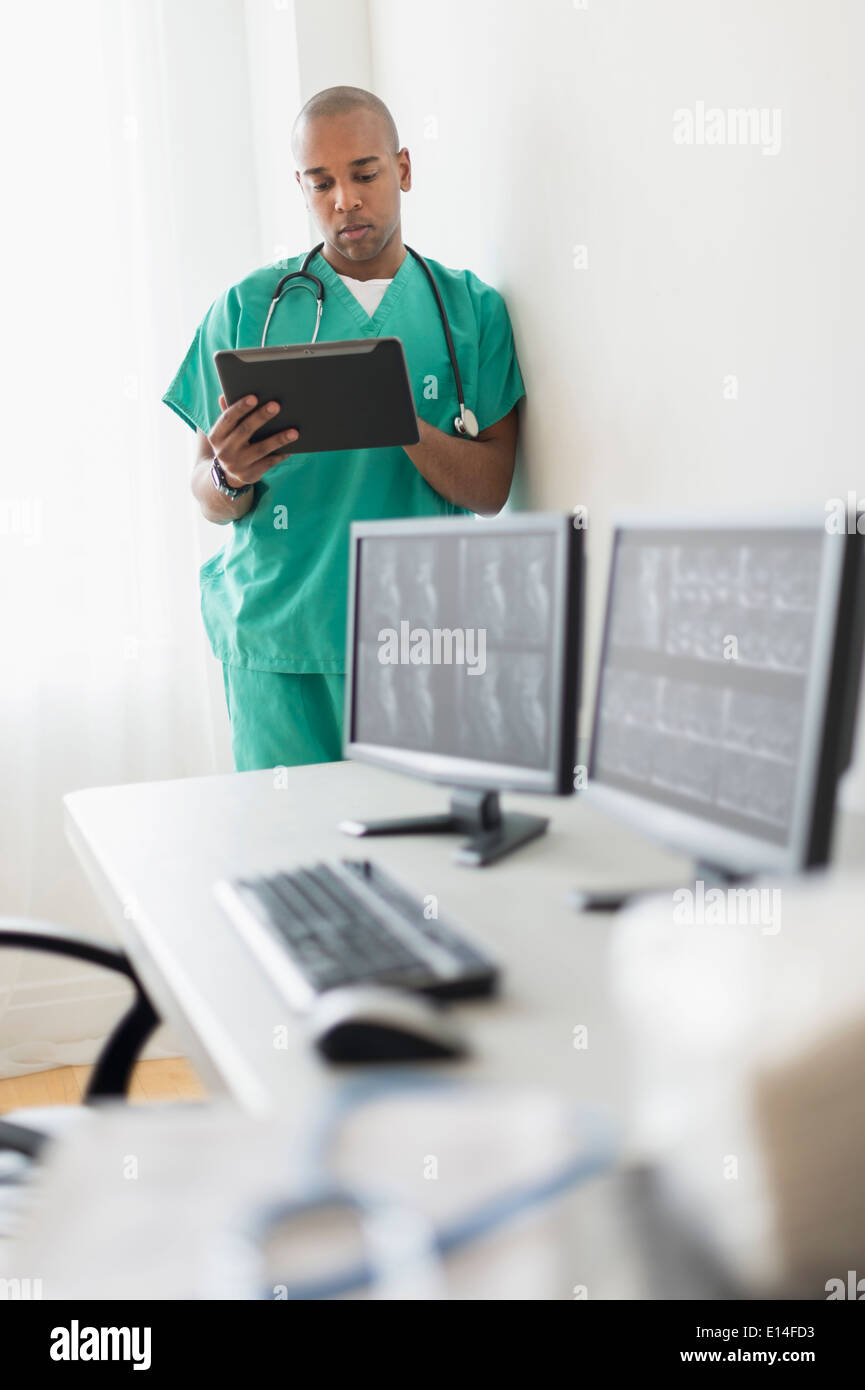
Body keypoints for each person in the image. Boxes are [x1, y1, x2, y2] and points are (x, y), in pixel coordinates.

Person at [162, 86, 526, 771]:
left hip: (423, 645)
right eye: (321, 182)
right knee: (293, 857)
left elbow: (490, 488)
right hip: (280, 642)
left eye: (364, 174)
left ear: (404, 170)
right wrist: (228, 474)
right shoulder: (246, 308)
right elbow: (207, 497)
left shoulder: (470, 311)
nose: (344, 201)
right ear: (300, 188)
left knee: (422, 863)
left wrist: (389, 413)